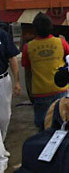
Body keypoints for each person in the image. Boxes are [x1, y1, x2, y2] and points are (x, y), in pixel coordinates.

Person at [22, 12, 69, 130]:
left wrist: (30, 93)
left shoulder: (28, 47)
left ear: (34, 29)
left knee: (43, 124)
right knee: (63, 121)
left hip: (40, 92)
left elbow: (28, 71)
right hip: (61, 89)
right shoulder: (61, 42)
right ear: (51, 27)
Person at [0, 23, 20, 168]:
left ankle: (1, 145)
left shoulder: (2, 35)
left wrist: (17, 81)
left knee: (4, 117)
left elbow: (12, 58)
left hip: (3, 80)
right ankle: (1, 159)